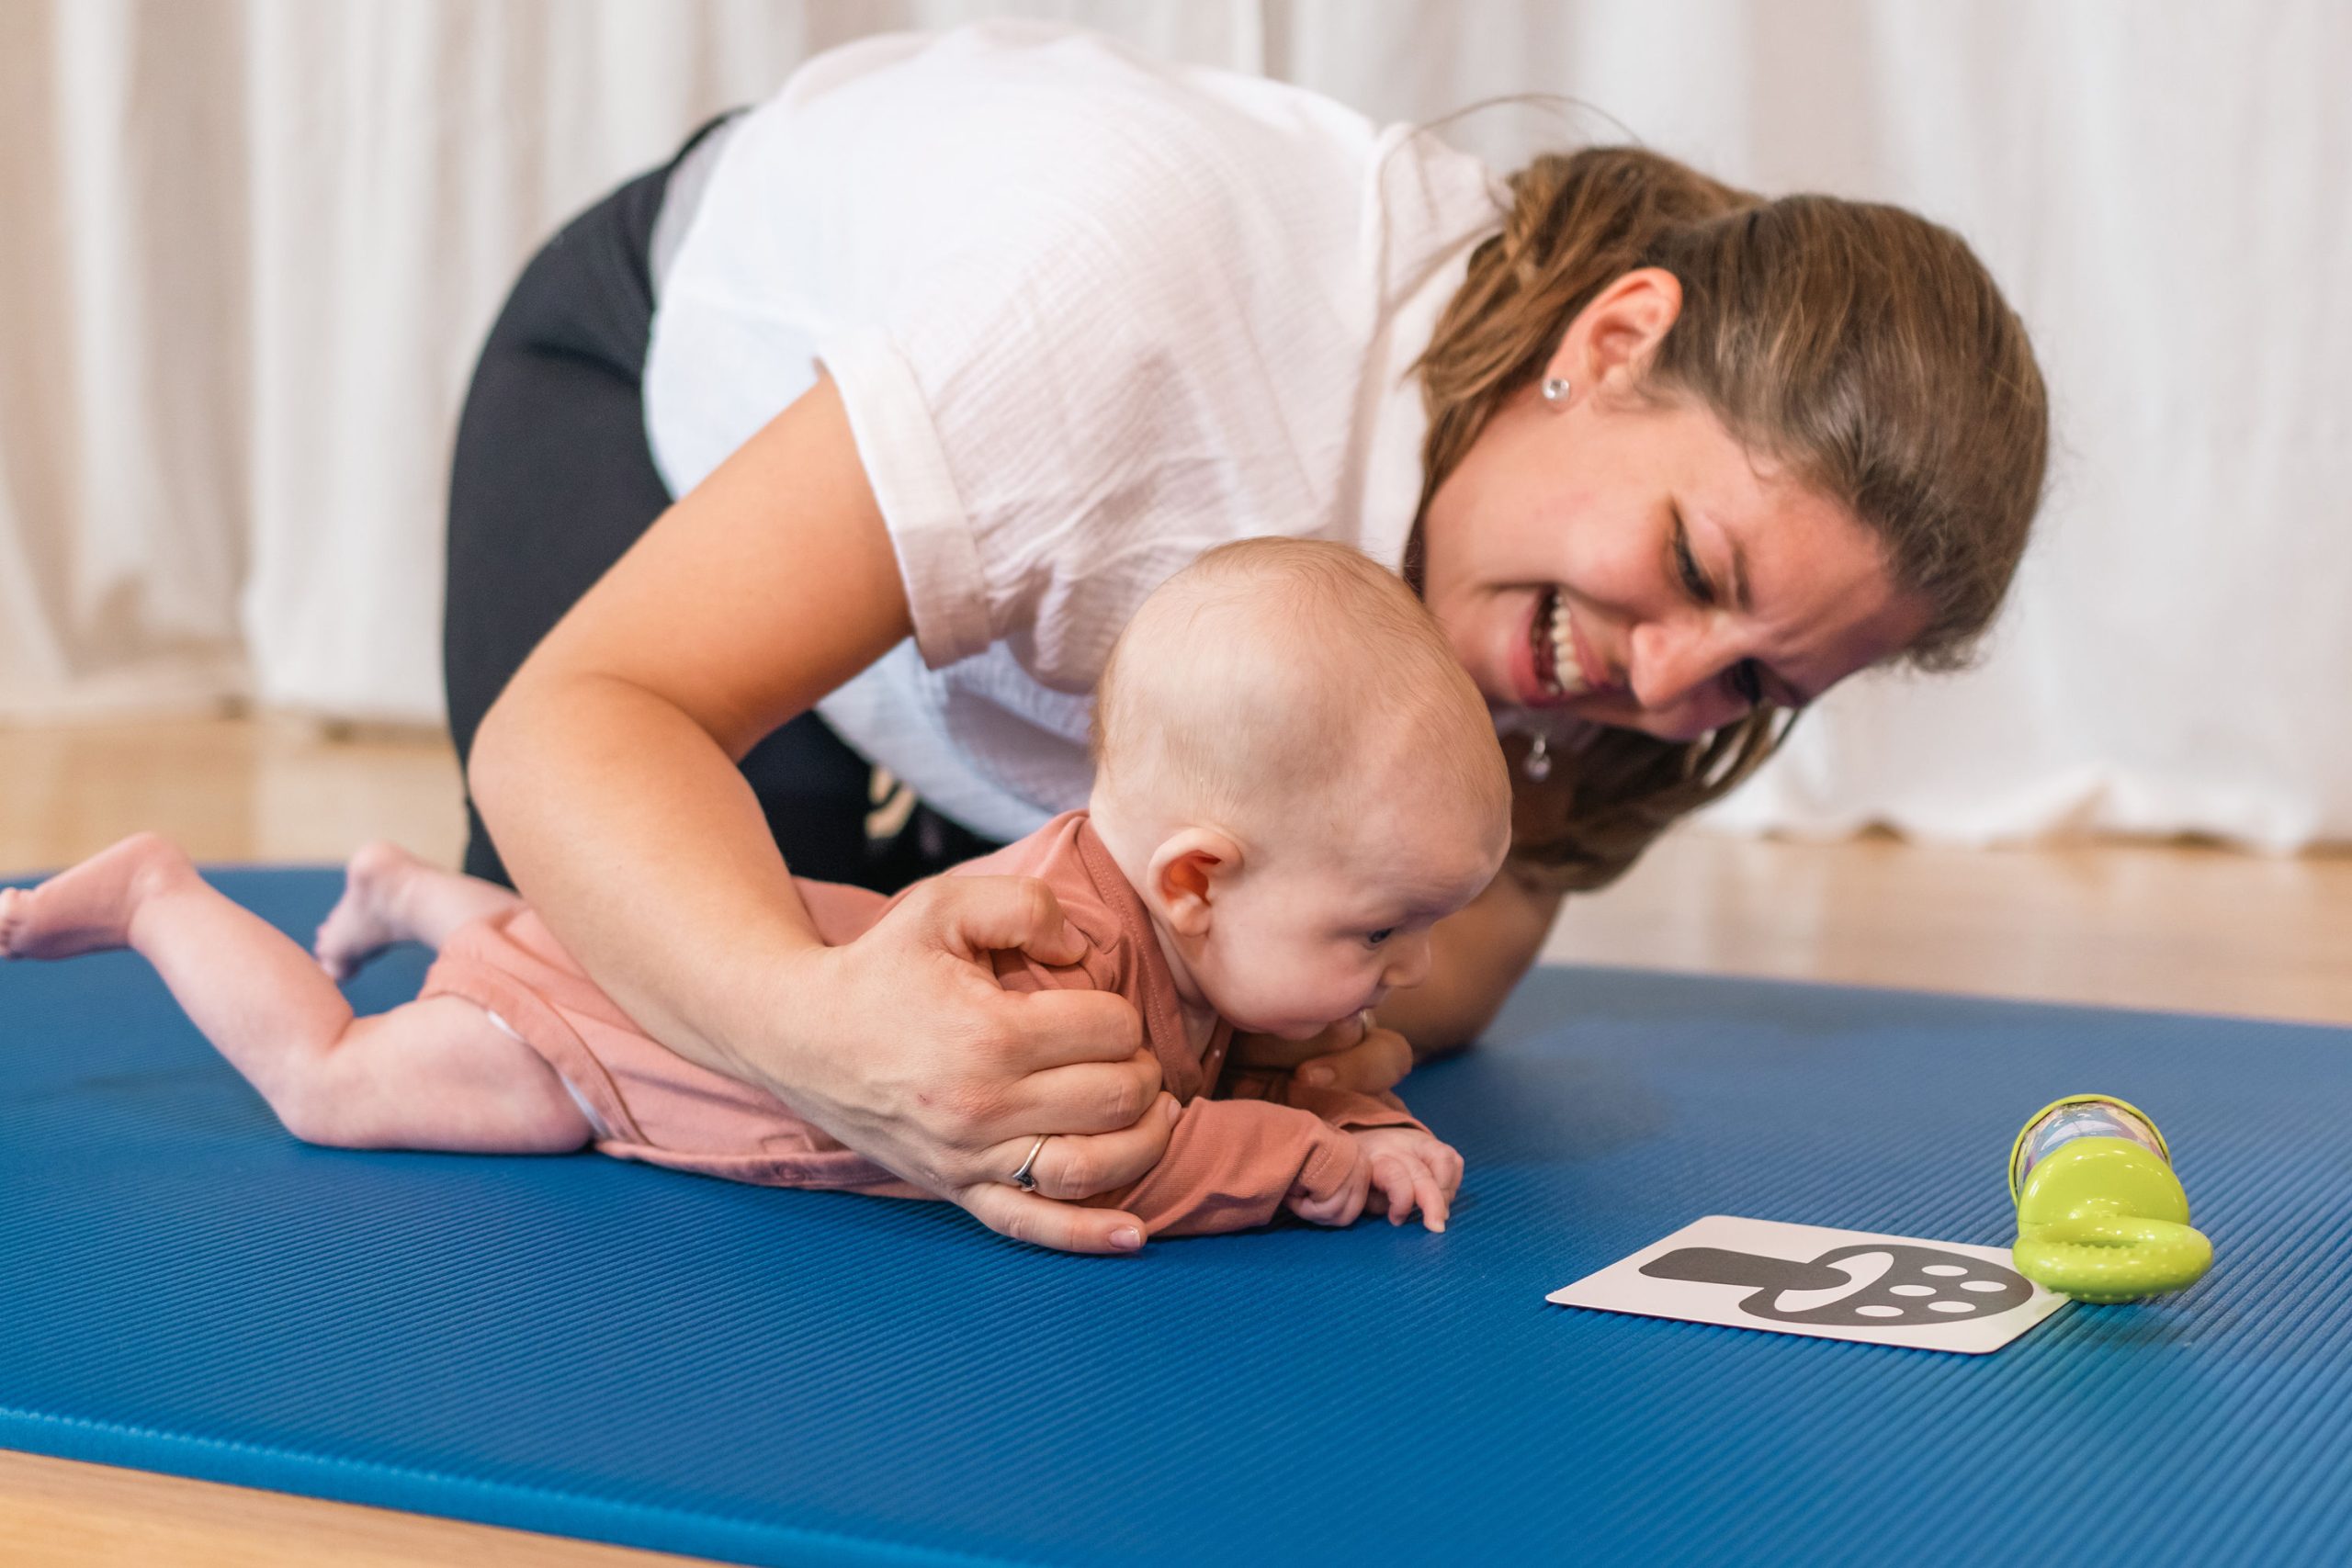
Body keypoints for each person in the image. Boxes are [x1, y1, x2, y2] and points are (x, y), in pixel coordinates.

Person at [441, 22, 2050, 1254]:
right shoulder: (1132, 310)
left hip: (1034, 635)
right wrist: (807, 1033)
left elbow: (1465, 952)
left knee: (1045, 1061)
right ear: (1615, 339)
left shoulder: (1586, 615)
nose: (1669, 678)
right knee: (641, 1056)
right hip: (662, 380)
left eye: (1759, 679)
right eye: (1693, 563)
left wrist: (1257, 1007)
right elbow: (584, 715)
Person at [0, 542, 1508, 1243]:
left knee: (552, 944)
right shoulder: (1061, 965)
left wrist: (1361, 1110)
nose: (1413, 969)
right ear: (1196, 881)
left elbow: (1268, 1060)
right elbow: (1133, 1161)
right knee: (339, 1082)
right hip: (607, 1055)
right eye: (1379, 931)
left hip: (691, 946)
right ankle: (153, 899)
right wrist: (1314, 1162)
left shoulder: (1194, 937)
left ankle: (422, 900)